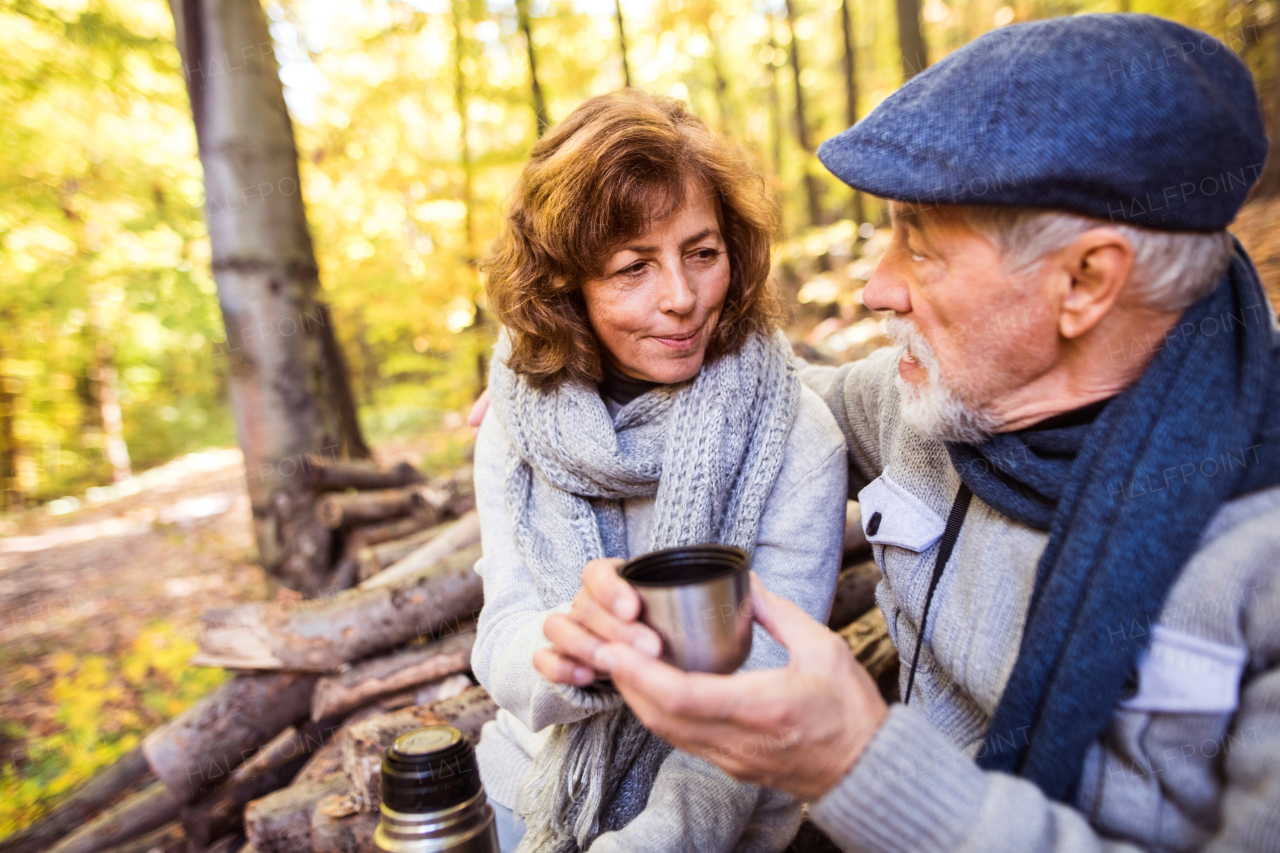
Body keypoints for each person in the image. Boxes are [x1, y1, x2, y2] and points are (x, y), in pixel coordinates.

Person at [537, 14, 1280, 853]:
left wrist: (855, 763)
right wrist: (559, 373)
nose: (874, 289)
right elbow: (767, 399)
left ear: (1084, 281)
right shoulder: (928, 399)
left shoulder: (1260, 556)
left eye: (919, 249)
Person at [468, 90, 847, 853]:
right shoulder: (517, 417)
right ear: (567, 282)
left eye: (702, 254)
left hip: (721, 828)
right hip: (530, 801)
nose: (680, 298)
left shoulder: (797, 436)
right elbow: (499, 632)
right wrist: (563, 653)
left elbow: (761, 701)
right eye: (633, 267)